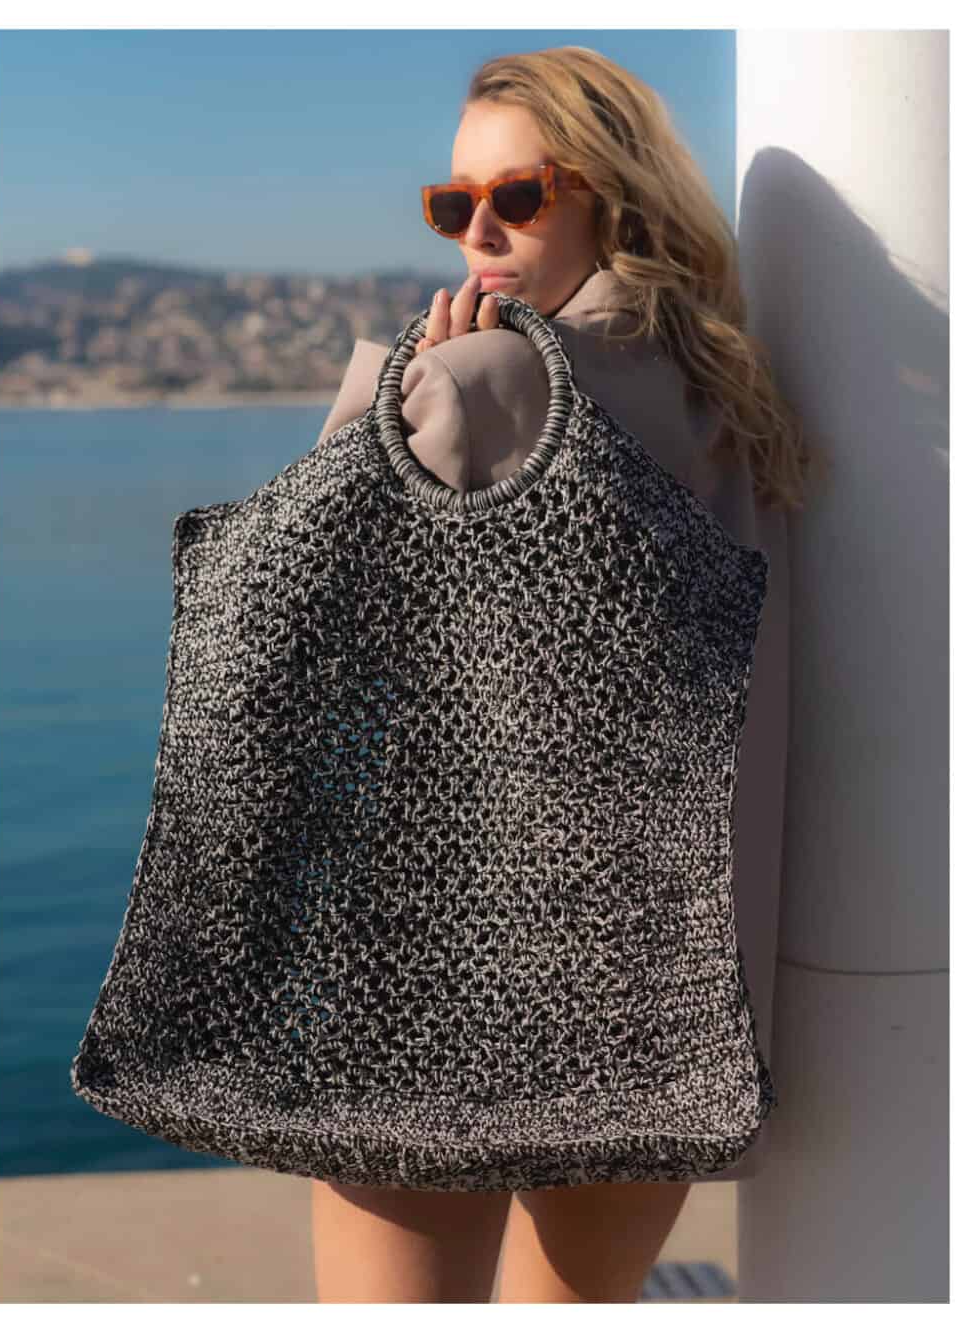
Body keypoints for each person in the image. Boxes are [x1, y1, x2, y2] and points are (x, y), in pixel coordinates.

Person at [306, 46, 816, 1302]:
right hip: (663, 976)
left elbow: (299, 598)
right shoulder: (731, 398)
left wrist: (392, 383)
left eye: (515, 196)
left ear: (610, 196)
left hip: (443, 949)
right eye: (451, 204)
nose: (476, 229)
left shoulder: (484, 375)